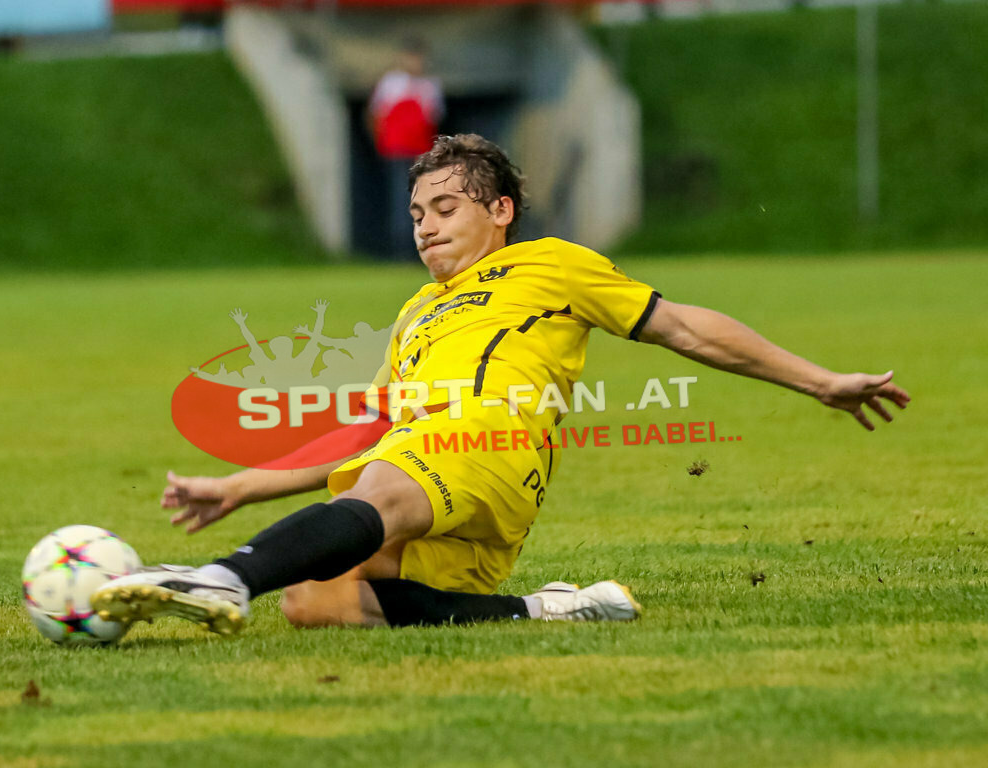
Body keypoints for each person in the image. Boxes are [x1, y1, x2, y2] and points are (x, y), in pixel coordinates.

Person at [92, 134, 910, 634]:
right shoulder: (415, 314)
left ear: (503, 211)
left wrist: (820, 381)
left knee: (382, 489)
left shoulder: (552, 265)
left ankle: (219, 580)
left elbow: (685, 326)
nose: (427, 226)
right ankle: (553, 610)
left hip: (492, 446)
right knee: (318, 603)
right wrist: (242, 483)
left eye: (446, 207)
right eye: (416, 214)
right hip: (425, 467)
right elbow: (369, 434)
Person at [367, 37, 445, 260]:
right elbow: (376, 116)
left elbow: (433, 120)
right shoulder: (391, 83)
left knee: (422, 200)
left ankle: (422, 246)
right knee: (399, 199)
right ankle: (399, 248)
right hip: (396, 150)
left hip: (420, 153)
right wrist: (380, 144)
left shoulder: (430, 85)